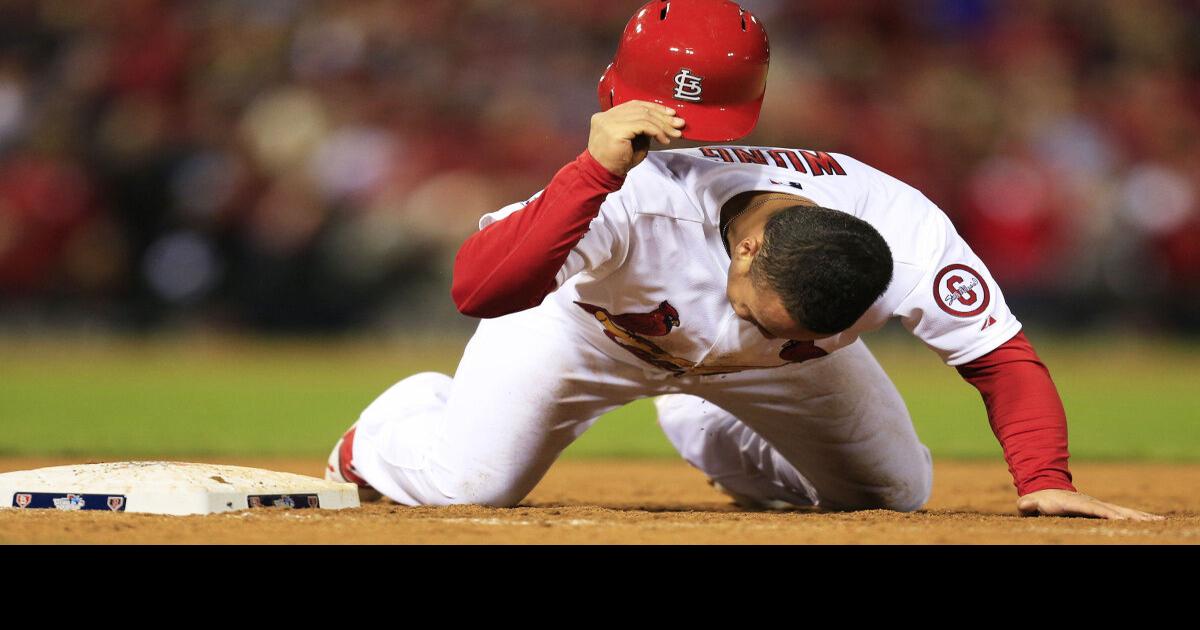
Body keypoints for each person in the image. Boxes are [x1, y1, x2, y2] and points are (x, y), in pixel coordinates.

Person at [326, 0, 1162, 521]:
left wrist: (1044, 476)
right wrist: (588, 173)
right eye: (761, 316)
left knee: (891, 497)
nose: (751, 326)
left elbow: (1002, 359)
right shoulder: (637, 196)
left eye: (792, 332)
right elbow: (477, 288)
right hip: (587, 334)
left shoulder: (902, 227)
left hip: (763, 374)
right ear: (752, 246)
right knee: (468, 484)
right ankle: (387, 433)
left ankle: (708, 425)